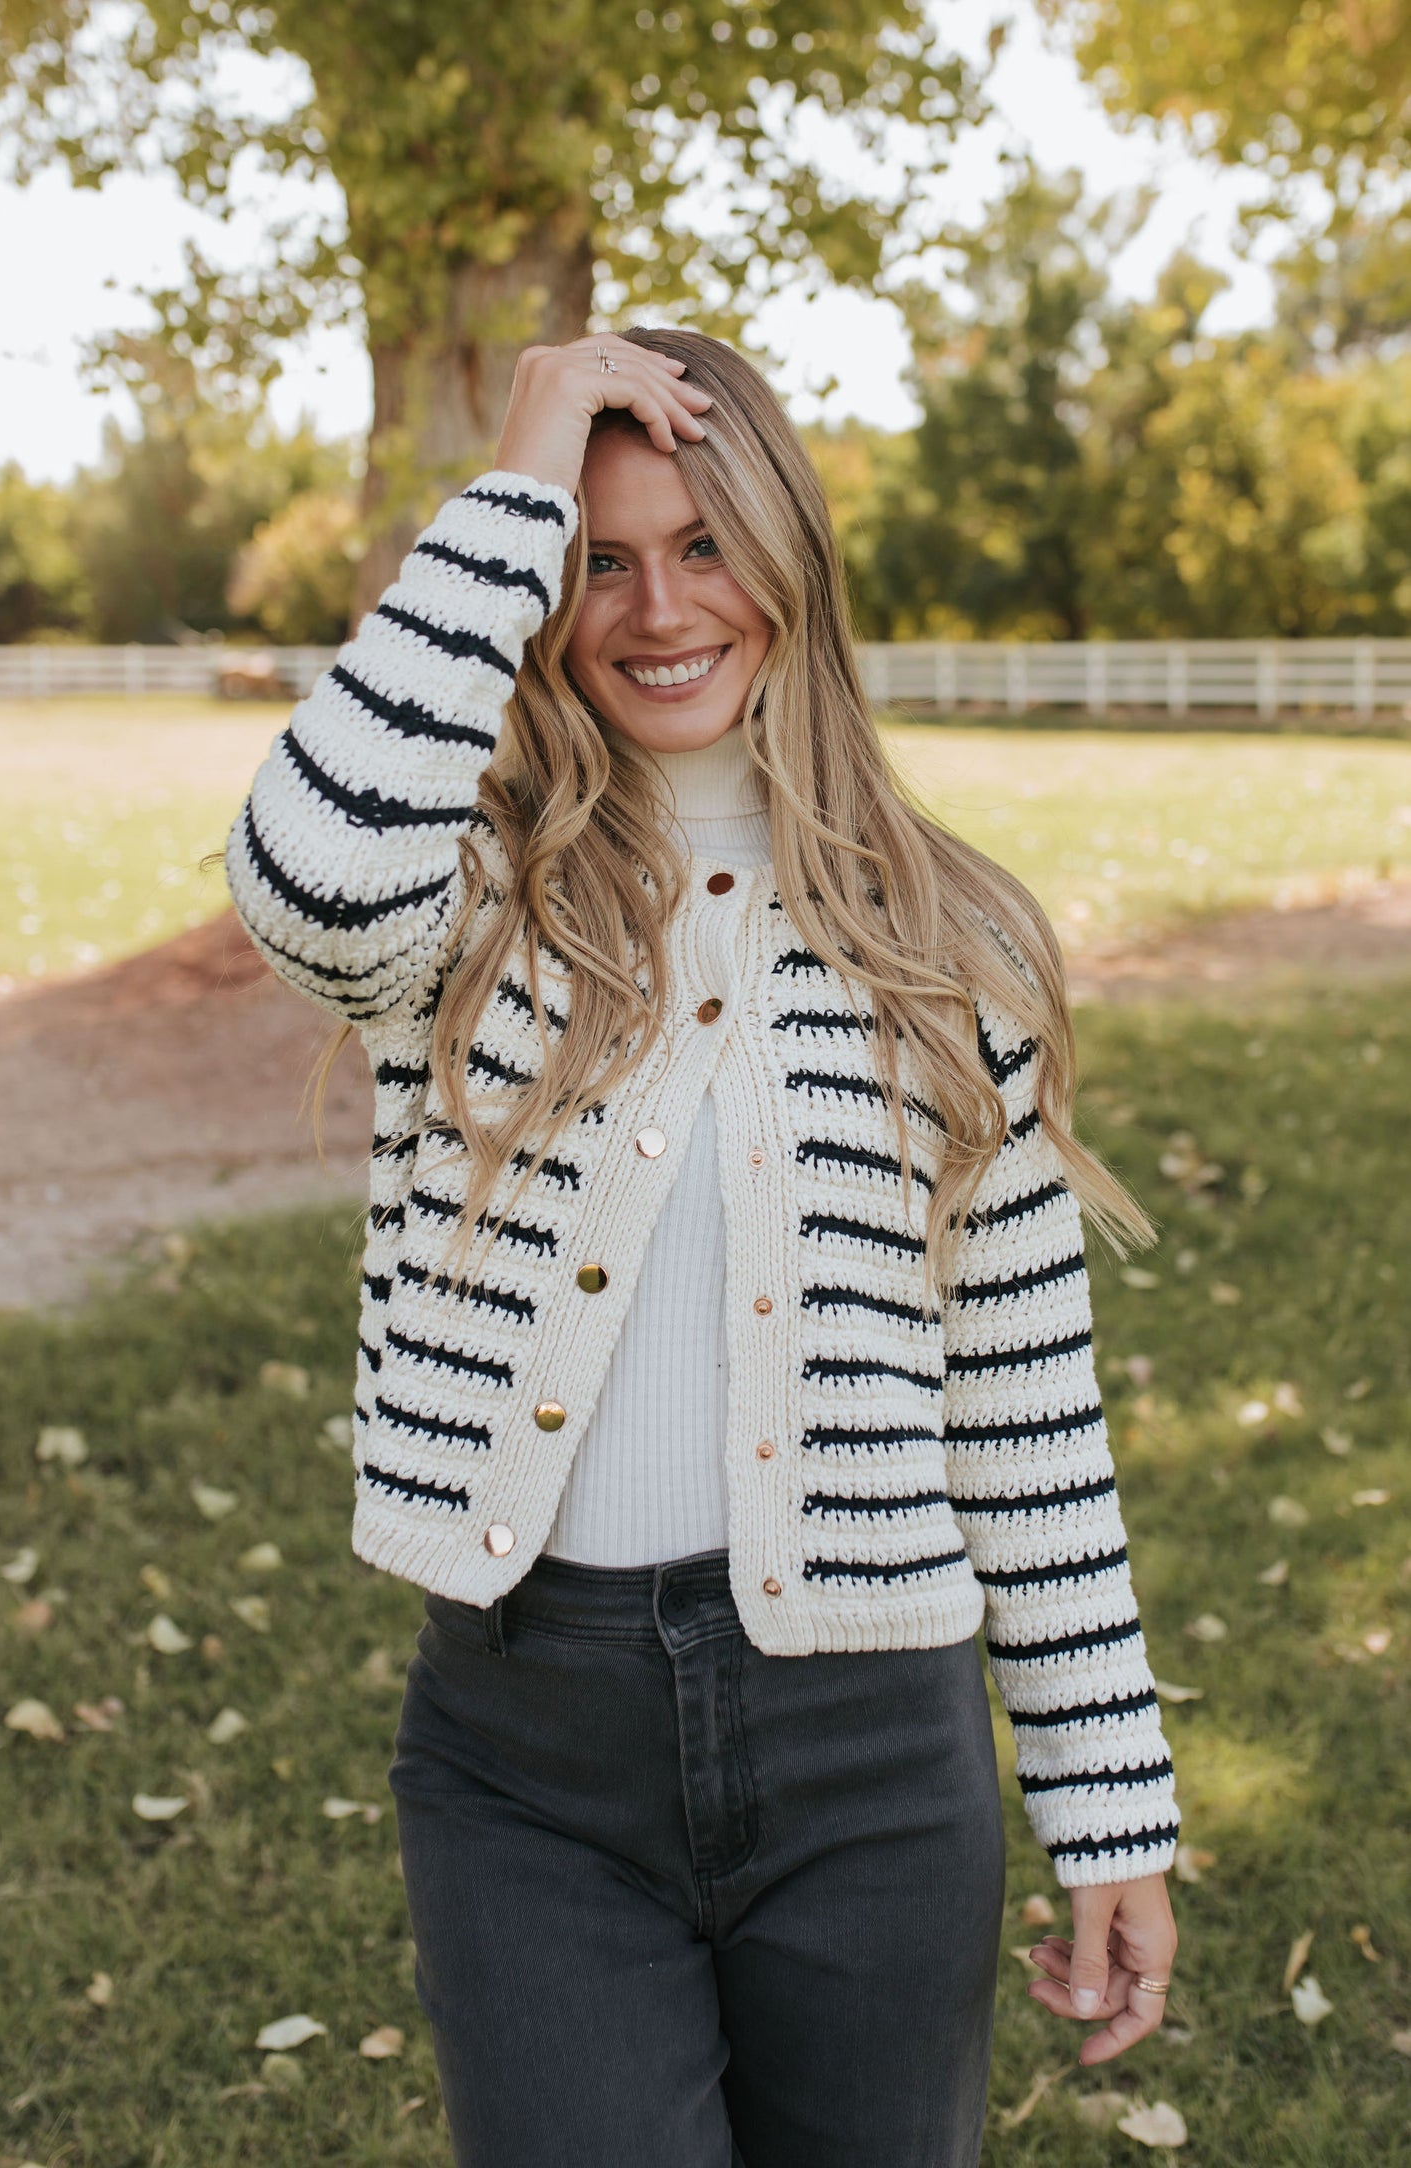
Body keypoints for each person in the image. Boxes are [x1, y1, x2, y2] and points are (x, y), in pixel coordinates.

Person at [223, 326, 1179, 2167]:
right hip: (528, 1752)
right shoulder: (468, 898)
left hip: (871, 1764)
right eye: (597, 557)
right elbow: (308, 873)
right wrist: (510, 486)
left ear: (789, 561)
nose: (656, 606)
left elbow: (1026, 1414)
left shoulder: (950, 938)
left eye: (705, 544)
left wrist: (1108, 1806)